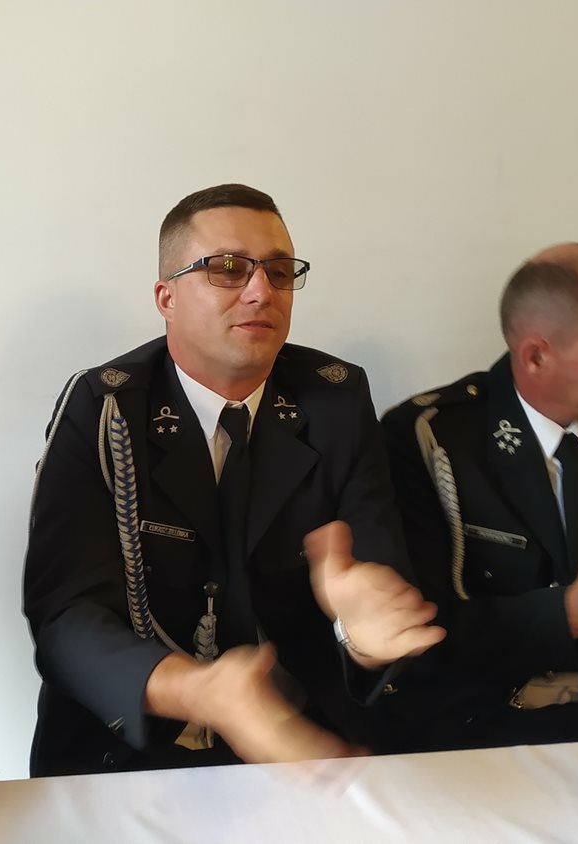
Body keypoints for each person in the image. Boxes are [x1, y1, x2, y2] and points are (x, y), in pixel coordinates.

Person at [23, 183, 445, 777]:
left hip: (301, 746)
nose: (260, 291)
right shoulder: (104, 407)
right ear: (167, 297)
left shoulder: (335, 400)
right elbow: (66, 615)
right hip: (127, 754)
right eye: (227, 269)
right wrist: (199, 692)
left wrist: (364, 636)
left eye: (279, 271)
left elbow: (375, 578)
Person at [380, 243, 578, 750]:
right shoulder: (431, 437)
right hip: (481, 725)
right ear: (536, 356)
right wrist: (570, 613)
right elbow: (414, 634)